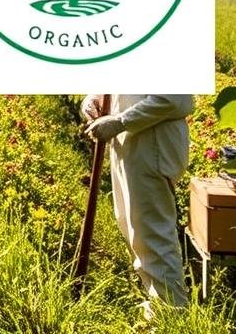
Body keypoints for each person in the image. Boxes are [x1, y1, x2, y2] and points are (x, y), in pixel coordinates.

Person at [82, 94, 194, 315]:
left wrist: (121, 121)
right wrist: (93, 98)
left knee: (153, 236)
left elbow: (173, 98)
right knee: (135, 230)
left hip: (151, 143)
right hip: (130, 143)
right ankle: (159, 304)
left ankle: (172, 313)